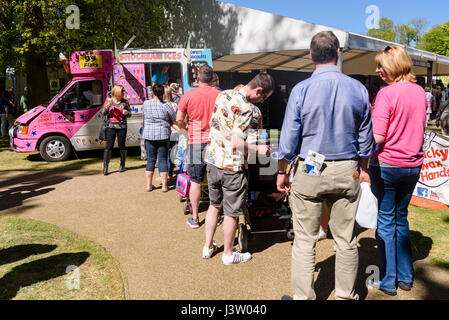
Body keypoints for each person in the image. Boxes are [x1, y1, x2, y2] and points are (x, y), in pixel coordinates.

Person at [276, 31, 375, 300]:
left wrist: (282, 172)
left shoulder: (301, 90)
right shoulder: (357, 89)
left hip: (311, 169)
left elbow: (288, 141)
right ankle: (344, 295)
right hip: (346, 169)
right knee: (345, 239)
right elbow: (366, 138)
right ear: (338, 53)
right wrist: (364, 170)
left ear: (310, 56)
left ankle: (302, 297)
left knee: (305, 240)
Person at [369, 45, 427, 296]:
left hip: (387, 165)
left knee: (385, 220)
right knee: (400, 219)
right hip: (412, 165)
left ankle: (388, 279)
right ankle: (405, 277)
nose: (377, 70)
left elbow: (378, 135)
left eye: (381, 65)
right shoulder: (420, 92)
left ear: (394, 66)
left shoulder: (386, 94)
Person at [202, 72, 274, 265]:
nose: (262, 101)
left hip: (212, 159)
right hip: (232, 166)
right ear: (259, 90)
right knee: (231, 212)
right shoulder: (247, 109)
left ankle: (208, 247)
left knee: (214, 205)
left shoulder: (223, 94)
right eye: (264, 97)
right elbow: (236, 142)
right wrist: (259, 149)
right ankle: (228, 253)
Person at [176, 65, 221, 229]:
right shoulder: (220, 95)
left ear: (197, 78)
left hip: (195, 142)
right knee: (216, 180)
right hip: (215, 143)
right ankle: (217, 213)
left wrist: (185, 132)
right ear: (212, 78)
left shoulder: (188, 95)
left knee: (195, 180)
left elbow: (179, 119)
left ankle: (195, 217)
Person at [142, 83, 177, 192]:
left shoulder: (146, 104)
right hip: (163, 135)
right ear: (163, 93)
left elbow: (144, 116)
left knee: (150, 160)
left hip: (149, 135)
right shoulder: (167, 105)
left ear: (152, 92)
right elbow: (174, 118)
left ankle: (149, 185)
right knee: (162, 160)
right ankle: (164, 186)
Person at [101, 85, 131, 175]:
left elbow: (129, 114)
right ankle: (105, 167)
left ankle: (122, 165)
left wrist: (126, 113)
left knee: (122, 146)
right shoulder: (109, 101)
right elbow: (103, 113)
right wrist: (106, 107)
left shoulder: (125, 102)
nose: (123, 93)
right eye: (122, 92)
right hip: (111, 127)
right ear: (117, 92)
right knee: (109, 146)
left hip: (122, 127)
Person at [163, 85, 179, 181]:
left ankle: (165, 174)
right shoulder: (174, 105)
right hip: (174, 131)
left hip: (165, 132)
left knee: (164, 154)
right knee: (171, 153)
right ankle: (170, 172)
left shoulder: (161, 104)